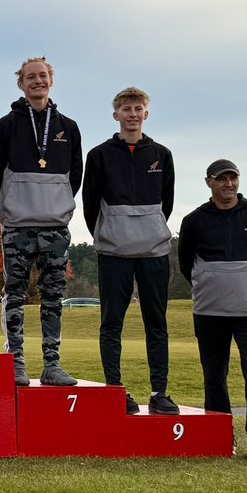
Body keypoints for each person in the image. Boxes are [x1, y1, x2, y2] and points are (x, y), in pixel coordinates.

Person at [0, 56, 82, 386]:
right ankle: (16, 362)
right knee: (14, 293)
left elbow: (75, 175)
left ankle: (52, 364)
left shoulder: (68, 127)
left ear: (51, 80)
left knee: (53, 296)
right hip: (17, 226)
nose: (37, 81)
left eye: (42, 75)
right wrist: (11, 206)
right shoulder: (6, 125)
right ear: (21, 83)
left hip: (55, 226)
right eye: (30, 77)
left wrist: (58, 204)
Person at [82, 87, 178, 414]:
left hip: (153, 252)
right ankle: (114, 390)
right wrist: (110, 233)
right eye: (126, 109)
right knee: (111, 322)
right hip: (113, 253)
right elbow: (90, 205)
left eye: (138, 109)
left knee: (157, 323)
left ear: (146, 114)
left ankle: (159, 393)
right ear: (116, 115)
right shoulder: (99, 155)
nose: (132, 114)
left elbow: (166, 204)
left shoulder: (162, 155)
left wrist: (147, 228)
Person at [179, 159, 247, 462]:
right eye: (221, 179)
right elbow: (186, 264)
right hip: (210, 311)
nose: (229, 184)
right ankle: (220, 437)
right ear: (209, 182)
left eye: (233, 178)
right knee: (214, 374)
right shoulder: (194, 220)